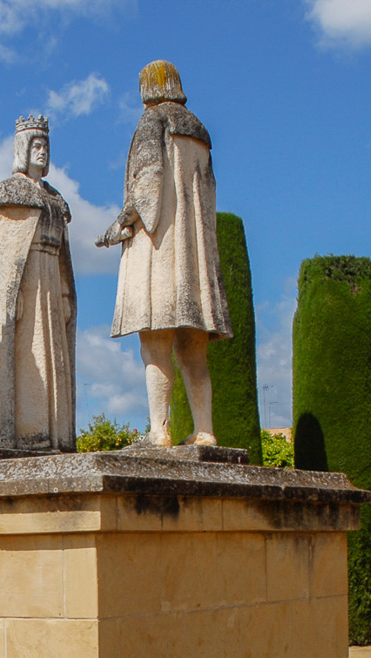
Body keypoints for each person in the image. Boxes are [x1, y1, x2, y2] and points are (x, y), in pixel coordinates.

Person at [97, 60, 232, 447]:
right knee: (194, 351)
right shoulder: (199, 132)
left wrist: (120, 224)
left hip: (159, 253)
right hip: (195, 259)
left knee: (155, 344)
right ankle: (204, 429)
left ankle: (159, 431)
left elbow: (148, 186)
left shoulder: (152, 122)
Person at [0, 114, 77, 451]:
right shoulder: (11, 192)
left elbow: (64, 255)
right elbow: (4, 255)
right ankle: (31, 433)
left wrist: (64, 292)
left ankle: (56, 434)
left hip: (49, 277)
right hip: (29, 281)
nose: (42, 151)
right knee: (30, 353)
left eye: (45, 145)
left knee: (54, 359)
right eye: (36, 144)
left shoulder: (56, 199)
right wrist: (10, 293)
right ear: (22, 148)